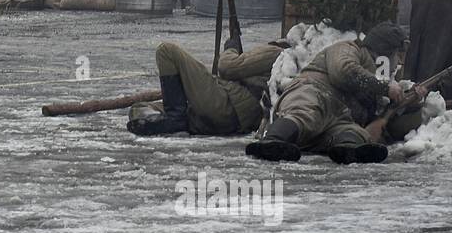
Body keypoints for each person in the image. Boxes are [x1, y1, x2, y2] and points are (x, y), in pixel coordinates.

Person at [246, 22, 411, 165]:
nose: (400, 62)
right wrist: (384, 87)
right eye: (398, 54)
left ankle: (349, 151)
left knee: (351, 131)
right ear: (385, 51)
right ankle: (273, 141)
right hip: (313, 92)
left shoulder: (377, 79)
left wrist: (410, 102)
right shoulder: (349, 48)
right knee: (305, 114)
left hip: (338, 118)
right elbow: (343, 71)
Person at [128, 37, 289, 137]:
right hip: (230, 119)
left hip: (225, 103)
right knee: (140, 109)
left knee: (166, 50)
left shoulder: (277, 52)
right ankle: (167, 122)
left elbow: (227, 67)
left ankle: (175, 119)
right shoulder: (293, 67)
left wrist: (230, 48)